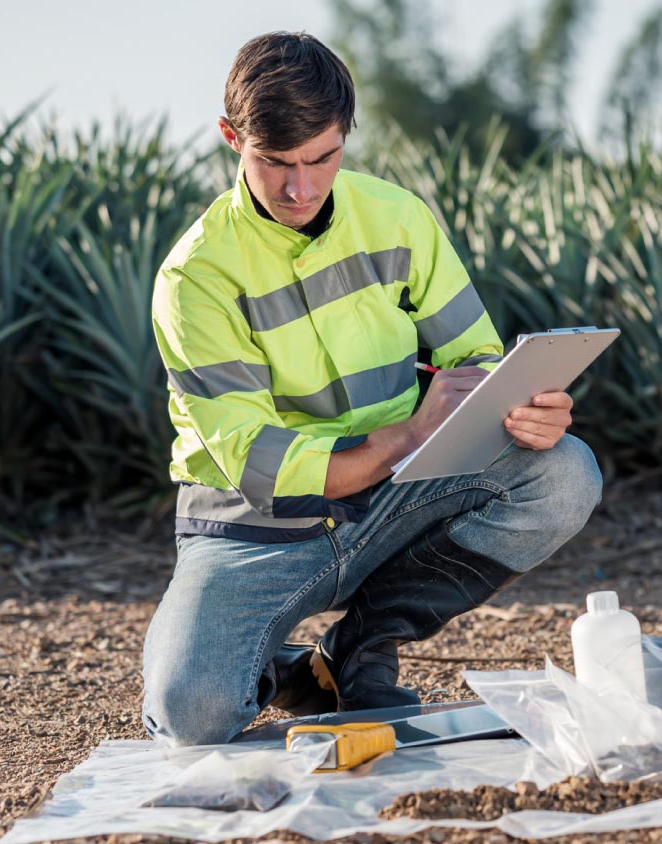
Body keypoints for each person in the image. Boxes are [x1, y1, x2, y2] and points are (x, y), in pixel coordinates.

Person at [141, 31, 602, 746]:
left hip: (393, 492)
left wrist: (523, 407)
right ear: (232, 138)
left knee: (565, 473)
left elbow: (476, 356)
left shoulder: (397, 217)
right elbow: (268, 468)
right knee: (191, 714)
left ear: (346, 134)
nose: (301, 187)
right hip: (252, 529)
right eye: (275, 163)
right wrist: (412, 434)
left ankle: (360, 648)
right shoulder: (195, 278)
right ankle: (283, 674)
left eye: (322, 158)